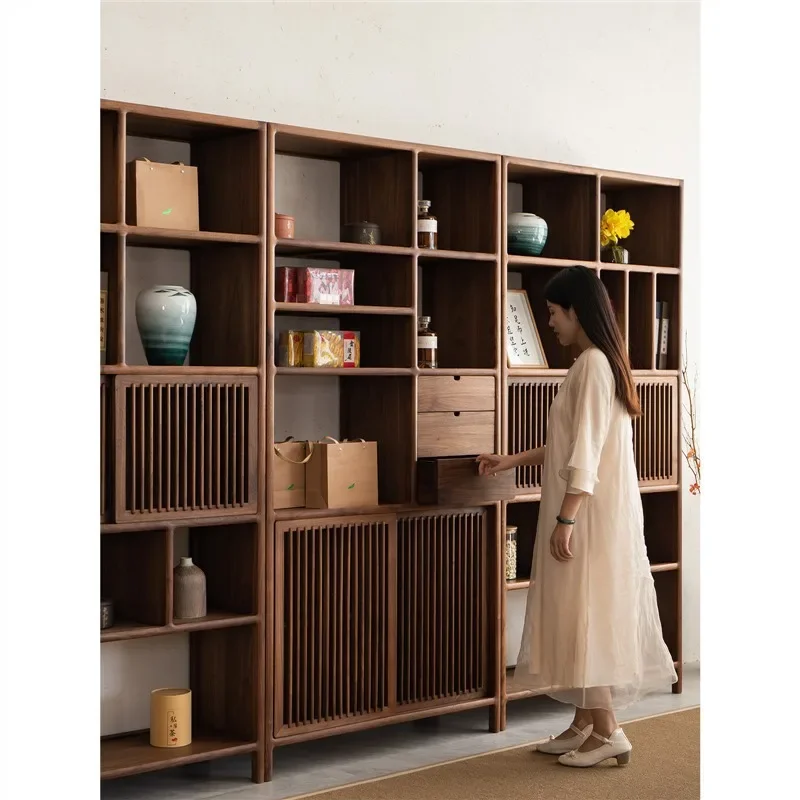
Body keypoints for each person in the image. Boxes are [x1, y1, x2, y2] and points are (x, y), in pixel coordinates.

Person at [477, 265, 677, 768]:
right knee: (579, 613)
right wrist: (512, 461)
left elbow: (585, 449)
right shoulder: (595, 364)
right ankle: (584, 721)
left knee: (585, 614)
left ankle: (609, 731)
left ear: (575, 310)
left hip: (585, 513)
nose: (549, 323)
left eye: (551, 312)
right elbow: (569, 440)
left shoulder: (591, 365)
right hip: (588, 508)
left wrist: (566, 519)